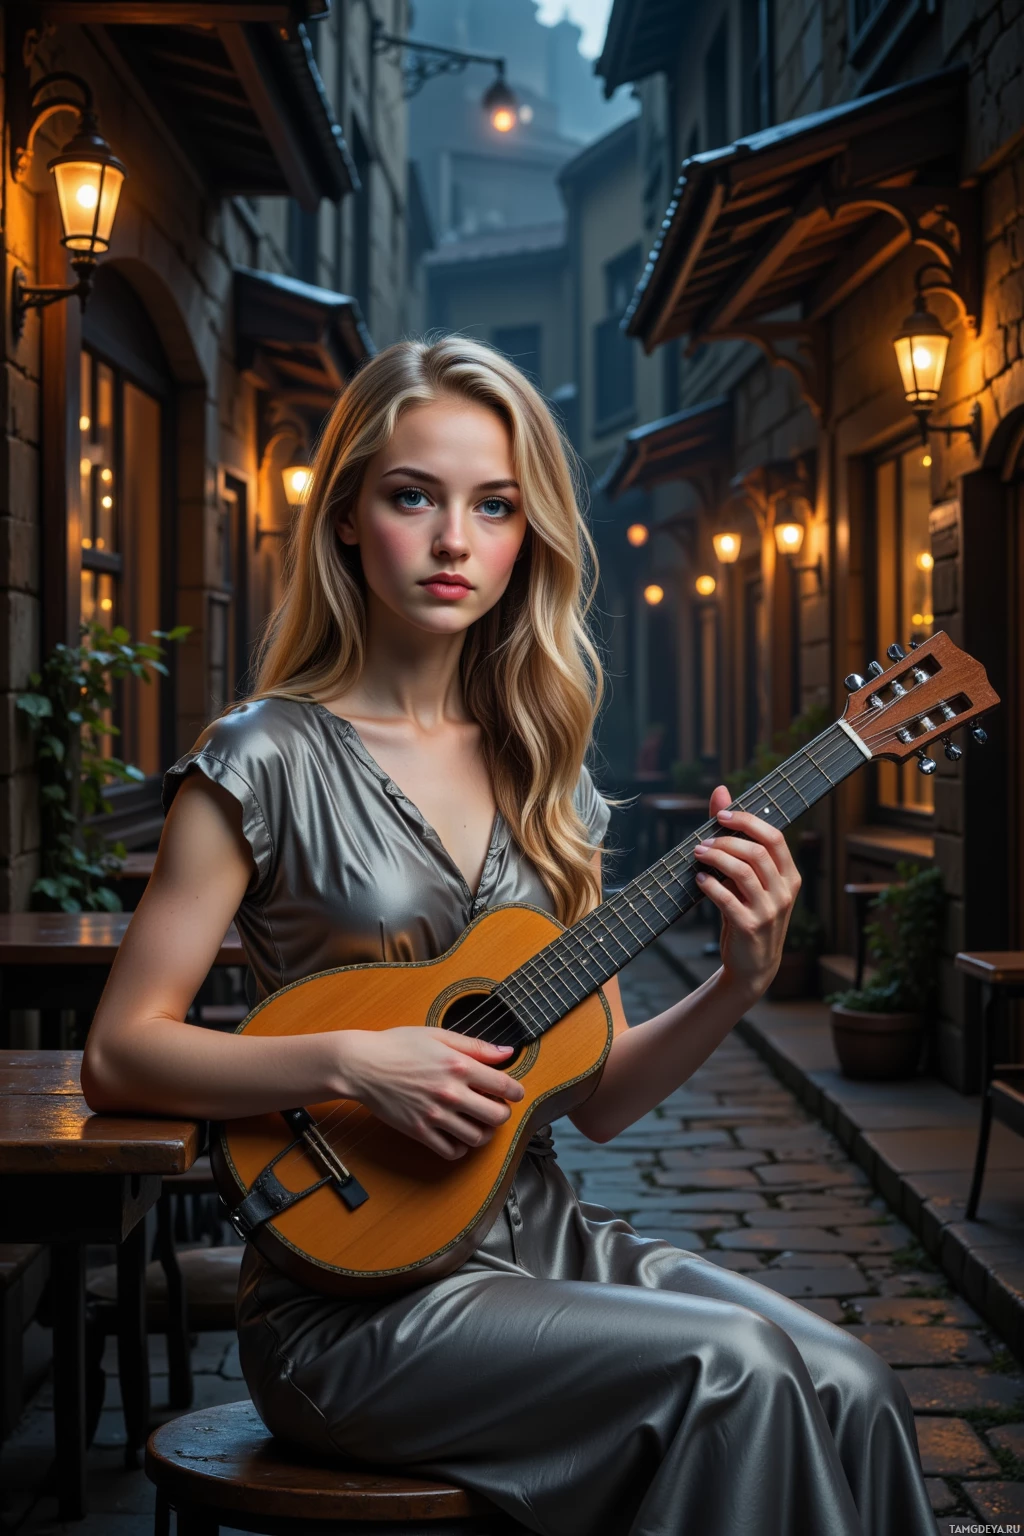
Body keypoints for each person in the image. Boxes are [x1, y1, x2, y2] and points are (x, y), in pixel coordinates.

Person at [81, 337, 936, 1536]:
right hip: (355, 1300)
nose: (452, 542)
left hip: (542, 1239)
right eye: (412, 496)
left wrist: (741, 982)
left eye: (494, 507)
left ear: (527, 536)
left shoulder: (547, 772)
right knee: (730, 1368)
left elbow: (594, 1095)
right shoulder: (261, 756)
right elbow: (121, 1052)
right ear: (344, 518)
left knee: (853, 1385)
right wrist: (349, 1060)